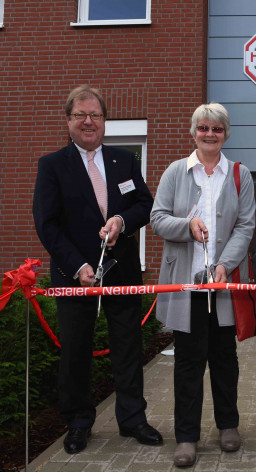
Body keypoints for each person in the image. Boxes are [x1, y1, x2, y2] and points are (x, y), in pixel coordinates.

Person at [32, 85, 162, 454]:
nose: (89, 122)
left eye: (96, 115)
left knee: (128, 347)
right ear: (68, 120)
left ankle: (133, 419)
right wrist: (78, 265)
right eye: (80, 115)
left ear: (105, 120)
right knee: (75, 349)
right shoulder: (53, 165)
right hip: (75, 275)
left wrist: (121, 219)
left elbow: (144, 205)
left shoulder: (125, 160)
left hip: (122, 271)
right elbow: (47, 224)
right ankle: (77, 422)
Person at [150, 103, 256, 467]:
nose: (210, 135)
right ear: (193, 131)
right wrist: (188, 225)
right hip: (186, 287)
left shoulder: (240, 174)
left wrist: (226, 264)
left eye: (217, 129)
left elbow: (245, 225)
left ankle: (228, 426)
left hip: (223, 287)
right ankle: (186, 437)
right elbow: (157, 218)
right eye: (204, 128)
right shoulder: (176, 171)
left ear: (226, 134)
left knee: (225, 359)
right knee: (189, 362)